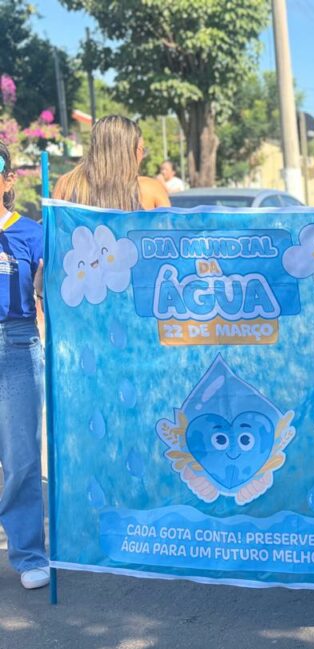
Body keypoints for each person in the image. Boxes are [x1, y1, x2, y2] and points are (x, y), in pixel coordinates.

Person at [0, 141, 49, 590]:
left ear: (8, 179)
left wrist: (42, 278)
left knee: (20, 459)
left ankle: (29, 554)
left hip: (16, 345)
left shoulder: (33, 233)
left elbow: (49, 291)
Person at [54, 115, 171, 210]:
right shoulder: (150, 189)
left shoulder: (66, 184)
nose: (142, 156)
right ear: (129, 153)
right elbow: (170, 230)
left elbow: (54, 230)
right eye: (141, 149)